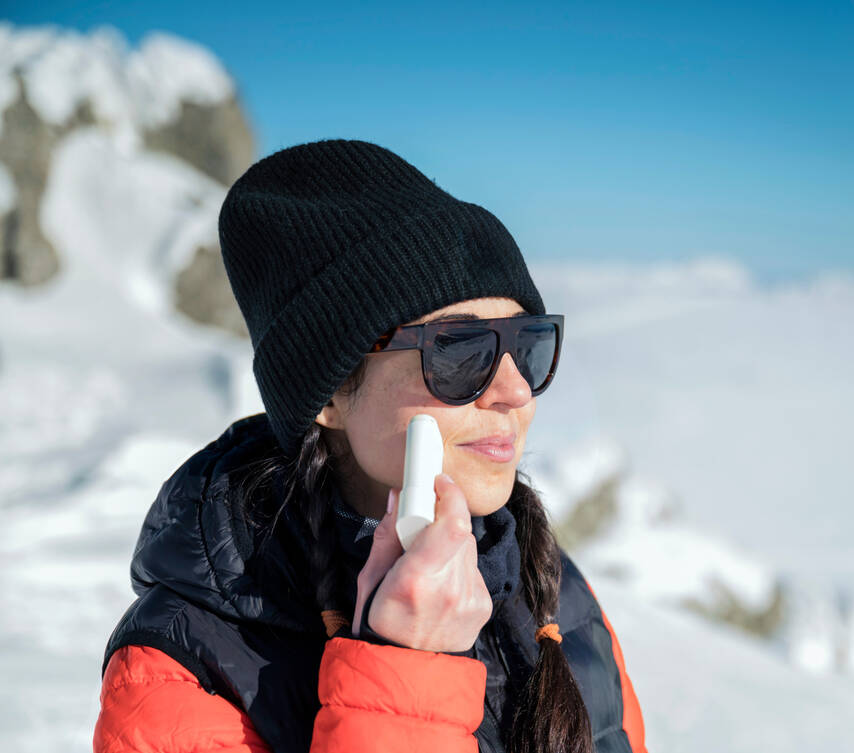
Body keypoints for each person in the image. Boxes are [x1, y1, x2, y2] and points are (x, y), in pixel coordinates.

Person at [92, 140, 647, 753]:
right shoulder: (183, 674)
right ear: (328, 393)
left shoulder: (552, 589)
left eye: (529, 345)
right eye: (459, 351)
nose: (516, 391)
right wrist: (406, 673)